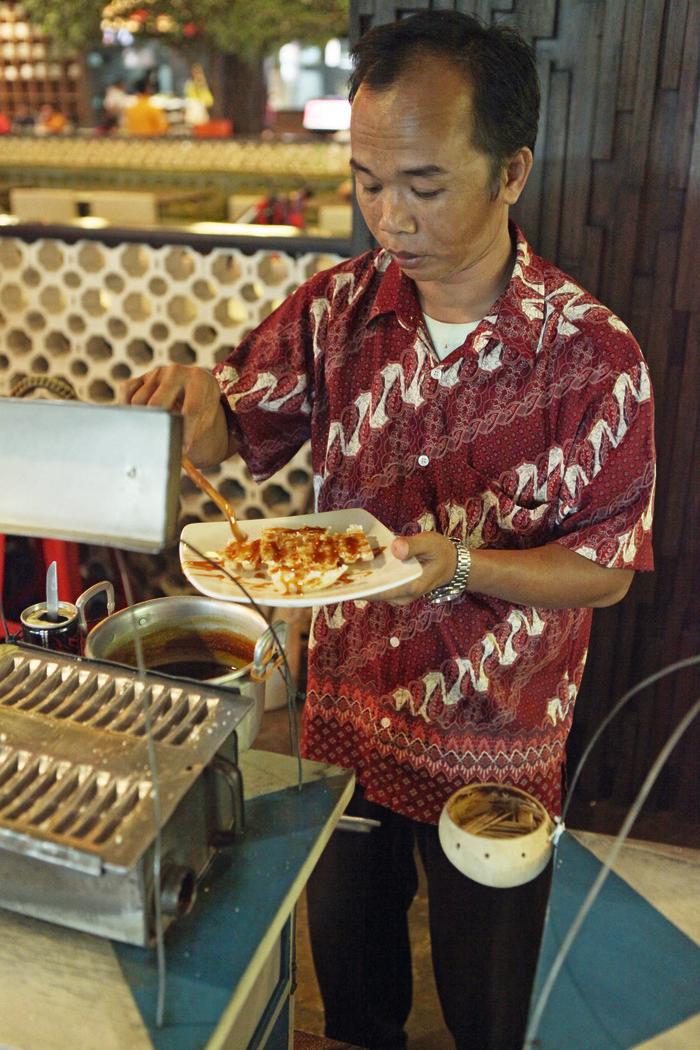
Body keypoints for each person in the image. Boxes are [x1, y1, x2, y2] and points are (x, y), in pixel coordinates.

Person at [119, 11, 655, 1049]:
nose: (388, 219)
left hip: (496, 742)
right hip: (347, 720)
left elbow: (604, 572)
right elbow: (241, 420)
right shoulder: (336, 310)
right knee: (356, 996)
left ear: (511, 173)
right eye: (367, 183)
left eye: (423, 186)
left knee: (485, 1008)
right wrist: (194, 402)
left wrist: (458, 566)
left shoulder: (592, 357)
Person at [184, 62, 214, 128]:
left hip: (200, 106)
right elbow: (189, 95)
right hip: (193, 105)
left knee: (201, 125)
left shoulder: (202, 82)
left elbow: (207, 97)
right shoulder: (190, 83)